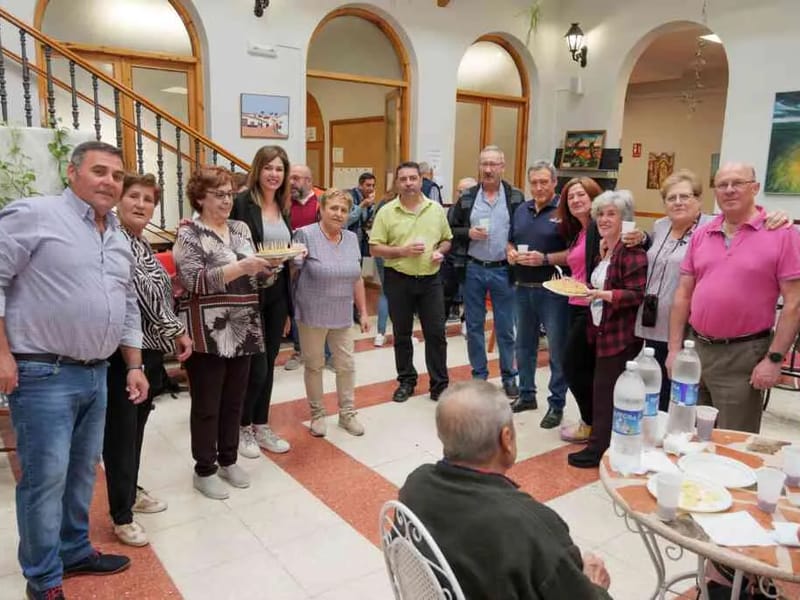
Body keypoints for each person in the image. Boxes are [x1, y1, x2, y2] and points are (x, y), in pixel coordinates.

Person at [0, 141, 149, 600]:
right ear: (72, 172)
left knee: (83, 471)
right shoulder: (36, 214)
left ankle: (74, 549)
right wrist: (1, 354)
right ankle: (44, 579)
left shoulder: (117, 237)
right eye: (99, 171)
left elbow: (127, 305)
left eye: (117, 175)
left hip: (96, 373)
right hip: (43, 373)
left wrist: (134, 364)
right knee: (45, 481)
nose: (109, 181)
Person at [399, 380, 613, 599]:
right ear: (506, 438)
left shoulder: (415, 485)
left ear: (442, 435)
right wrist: (596, 586)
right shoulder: (532, 525)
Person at [630, 169, 789, 411]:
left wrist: (777, 215)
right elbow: (653, 252)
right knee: (656, 396)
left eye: (685, 196)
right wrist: (641, 237)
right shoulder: (661, 226)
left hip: (692, 331)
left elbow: (746, 219)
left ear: (699, 200)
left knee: (685, 402)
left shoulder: (710, 227)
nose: (678, 202)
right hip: (655, 321)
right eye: (671, 198)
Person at [668, 162, 800, 433]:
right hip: (696, 349)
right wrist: (673, 350)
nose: (729, 190)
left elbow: (794, 304)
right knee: (689, 434)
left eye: (737, 183)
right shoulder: (702, 234)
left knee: (734, 438)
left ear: (755, 188)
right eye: (722, 184)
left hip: (743, 355)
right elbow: (683, 295)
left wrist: (774, 359)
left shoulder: (782, 234)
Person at [103, 173, 193, 547]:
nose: (141, 205)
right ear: (119, 201)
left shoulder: (140, 242)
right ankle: (121, 515)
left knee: (136, 428)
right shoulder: (115, 240)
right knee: (121, 434)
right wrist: (177, 329)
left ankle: (130, 490)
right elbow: (140, 296)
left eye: (148, 200)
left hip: (150, 349)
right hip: (125, 355)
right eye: (134, 197)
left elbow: (158, 292)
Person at [174, 166, 273, 499]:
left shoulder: (240, 228)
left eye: (230, 194)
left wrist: (269, 269)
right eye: (219, 194)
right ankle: (204, 469)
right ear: (200, 198)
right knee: (207, 404)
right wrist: (241, 267)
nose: (227, 200)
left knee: (234, 400)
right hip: (207, 330)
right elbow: (194, 281)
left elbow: (255, 277)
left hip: (243, 325)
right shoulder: (189, 233)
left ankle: (228, 460)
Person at [568, 190, 647, 469]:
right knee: (600, 389)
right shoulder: (605, 249)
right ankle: (602, 444)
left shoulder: (631, 251)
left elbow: (636, 294)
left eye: (611, 214)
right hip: (599, 329)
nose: (603, 219)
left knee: (606, 393)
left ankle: (598, 450)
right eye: (600, 214)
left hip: (620, 334)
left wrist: (602, 295)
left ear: (624, 219)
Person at [370, 161, 453, 402]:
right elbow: (374, 248)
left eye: (413, 178)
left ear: (421, 180)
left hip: (431, 280)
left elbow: (447, 239)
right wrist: (402, 251)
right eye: (403, 179)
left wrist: (441, 251)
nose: (408, 183)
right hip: (399, 279)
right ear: (397, 183)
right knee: (402, 333)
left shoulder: (435, 209)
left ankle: (439, 385)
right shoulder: (386, 212)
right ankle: (406, 381)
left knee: (436, 334)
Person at [231, 146, 293, 456]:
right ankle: (242, 427)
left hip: (277, 291)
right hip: (249, 291)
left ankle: (261, 423)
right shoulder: (242, 203)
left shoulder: (284, 205)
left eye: (279, 169)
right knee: (253, 366)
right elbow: (231, 247)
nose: (274, 174)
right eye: (268, 167)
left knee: (269, 363)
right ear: (258, 170)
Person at [293, 188, 370, 437]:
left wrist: (363, 311)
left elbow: (357, 277)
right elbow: (292, 273)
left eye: (344, 210)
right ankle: (317, 414)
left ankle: (347, 414)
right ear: (322, 209)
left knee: (346, 365)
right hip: (312, 312)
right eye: (333, 208)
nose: (338, 214)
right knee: (314, 365)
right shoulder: (305, 234)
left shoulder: (351, 238)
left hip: (342, 312)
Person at [449, 145, 525, 399]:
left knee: (506, 327)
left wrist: (514, 247)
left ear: (502, 167)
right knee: (474, 326)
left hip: (503, 269)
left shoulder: (515, 197)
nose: (489, 169)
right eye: (485, 164)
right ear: (479, 167)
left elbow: (522, 230)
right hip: (473, 268)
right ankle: (479, 375)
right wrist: (468, 233)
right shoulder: (468, 197)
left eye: (494, 164)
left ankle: (509, 377)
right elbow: (451, 229)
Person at [506, 161, 570, 428]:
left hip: (553, 289)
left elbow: (575, 253)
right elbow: (510, 239)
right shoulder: (521, 209)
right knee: (524, 346)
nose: (539, 187)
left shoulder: (565, 210)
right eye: (534, 182)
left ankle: (556, 404)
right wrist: (510, 252)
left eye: (544, 182)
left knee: (557, 350)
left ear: (554, 182)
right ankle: (526, 395)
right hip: (522, 287)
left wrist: (544, 259)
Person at [557, 177, 604, 444]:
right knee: (582, 366)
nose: (575, 200)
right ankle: (592, 421)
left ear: (594, 197)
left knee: (572, 366)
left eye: (581, 195)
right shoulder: (580, 231)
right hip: (574, 303)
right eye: (571, 197)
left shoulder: (599, 227)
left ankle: (591, 422)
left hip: (590, 308)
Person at [285, 163, 320, 370]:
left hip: (317, 265)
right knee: (296, 308)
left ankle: (325, 353)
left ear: (308, 181)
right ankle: (299, 351)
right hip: (292, 266)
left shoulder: (321, 203)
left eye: (296, 178)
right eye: (290, 178)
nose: (291, 182)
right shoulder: (285, 204)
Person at [443, 177, 477, 327]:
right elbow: (449, 231)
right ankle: (441, 324)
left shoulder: (478, 210)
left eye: (464, 191)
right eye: (458, 191)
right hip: (452, 257)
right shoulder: (453, 208)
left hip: (471, 258)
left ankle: (467, 323)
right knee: (446, 294)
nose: (460, 194)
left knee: (471, 295)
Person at [348, 172, 377, 257]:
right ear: (360, 185)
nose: (371, 188)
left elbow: (368, 225)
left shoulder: (368, 199)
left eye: (373, 185)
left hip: (360, 240)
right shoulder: (350, 197)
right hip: (348, 239)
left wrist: (371, 207)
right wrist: (362, 205)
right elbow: (347, 220)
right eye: (368, 185)